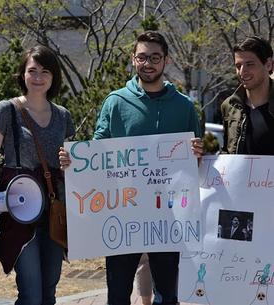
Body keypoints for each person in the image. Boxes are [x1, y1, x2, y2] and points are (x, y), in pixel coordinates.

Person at [59, 31, 203, 305]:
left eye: (155, 57)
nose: (148, 63)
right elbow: (96, 152)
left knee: (168, 296)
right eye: (142, 57)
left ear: (166, 61)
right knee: (117, 294)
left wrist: (197, 154)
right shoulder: (115, 102)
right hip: (121, 216)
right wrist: (73, 160)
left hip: (168, 218)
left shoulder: (183, 106)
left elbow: (193, 161)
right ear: (133, 60)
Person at [0, 45, 75, 305]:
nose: (38, 77)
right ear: (22, 75)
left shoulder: (63, 116)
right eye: (32, 70)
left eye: (45, 71)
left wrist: (70, 161)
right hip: (19, 210)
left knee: (49, 292)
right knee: (31, 293)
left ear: (54, 76)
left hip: (55, 210)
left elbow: (73, 166)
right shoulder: (7, 109)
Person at [221, 36, 274, 155]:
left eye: (249, 64)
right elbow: (227, 153)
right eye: (238, 66)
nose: (242, 72)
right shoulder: (229, 106)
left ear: (268, 64)